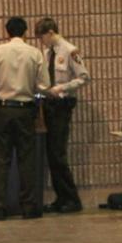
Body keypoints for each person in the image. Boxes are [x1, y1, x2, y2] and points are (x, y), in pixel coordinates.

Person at [0, 17, 48, 220]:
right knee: (27, 159)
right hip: (25, 111)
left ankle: (0, 206)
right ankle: (28, 206)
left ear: (7, 32)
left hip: (3, 110)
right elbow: (43, 85)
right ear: (25, 32)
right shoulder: (35, 53)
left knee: (1, 159)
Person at [34, 17, 89, 213]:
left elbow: (84, 77)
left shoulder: (69, 51)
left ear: (50, 33)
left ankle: (72, 199)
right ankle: (61, 197)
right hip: (49, 104)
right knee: (52, 154)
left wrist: (63, 87)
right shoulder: (47, 52)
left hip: (62, 105)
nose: (42, 42)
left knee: (58, 154)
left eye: (42, 38)